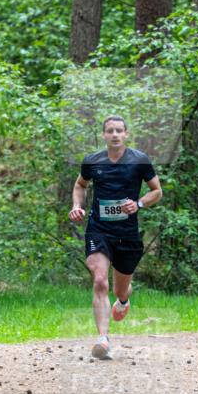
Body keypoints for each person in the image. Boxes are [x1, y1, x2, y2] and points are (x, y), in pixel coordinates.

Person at [69, 116, 162, 359]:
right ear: (103, 135)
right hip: (99, 229)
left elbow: (157, 191)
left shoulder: (139, 160)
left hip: (127, 234)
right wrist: (77, 205)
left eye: (119, 130)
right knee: (100, 280)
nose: (115, 134)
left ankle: (122, 300)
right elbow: (80, 185)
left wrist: (138, 204)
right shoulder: (92, 161)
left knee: (121, 289)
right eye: (110, 131)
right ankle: (103, 340)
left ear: (126, 134)